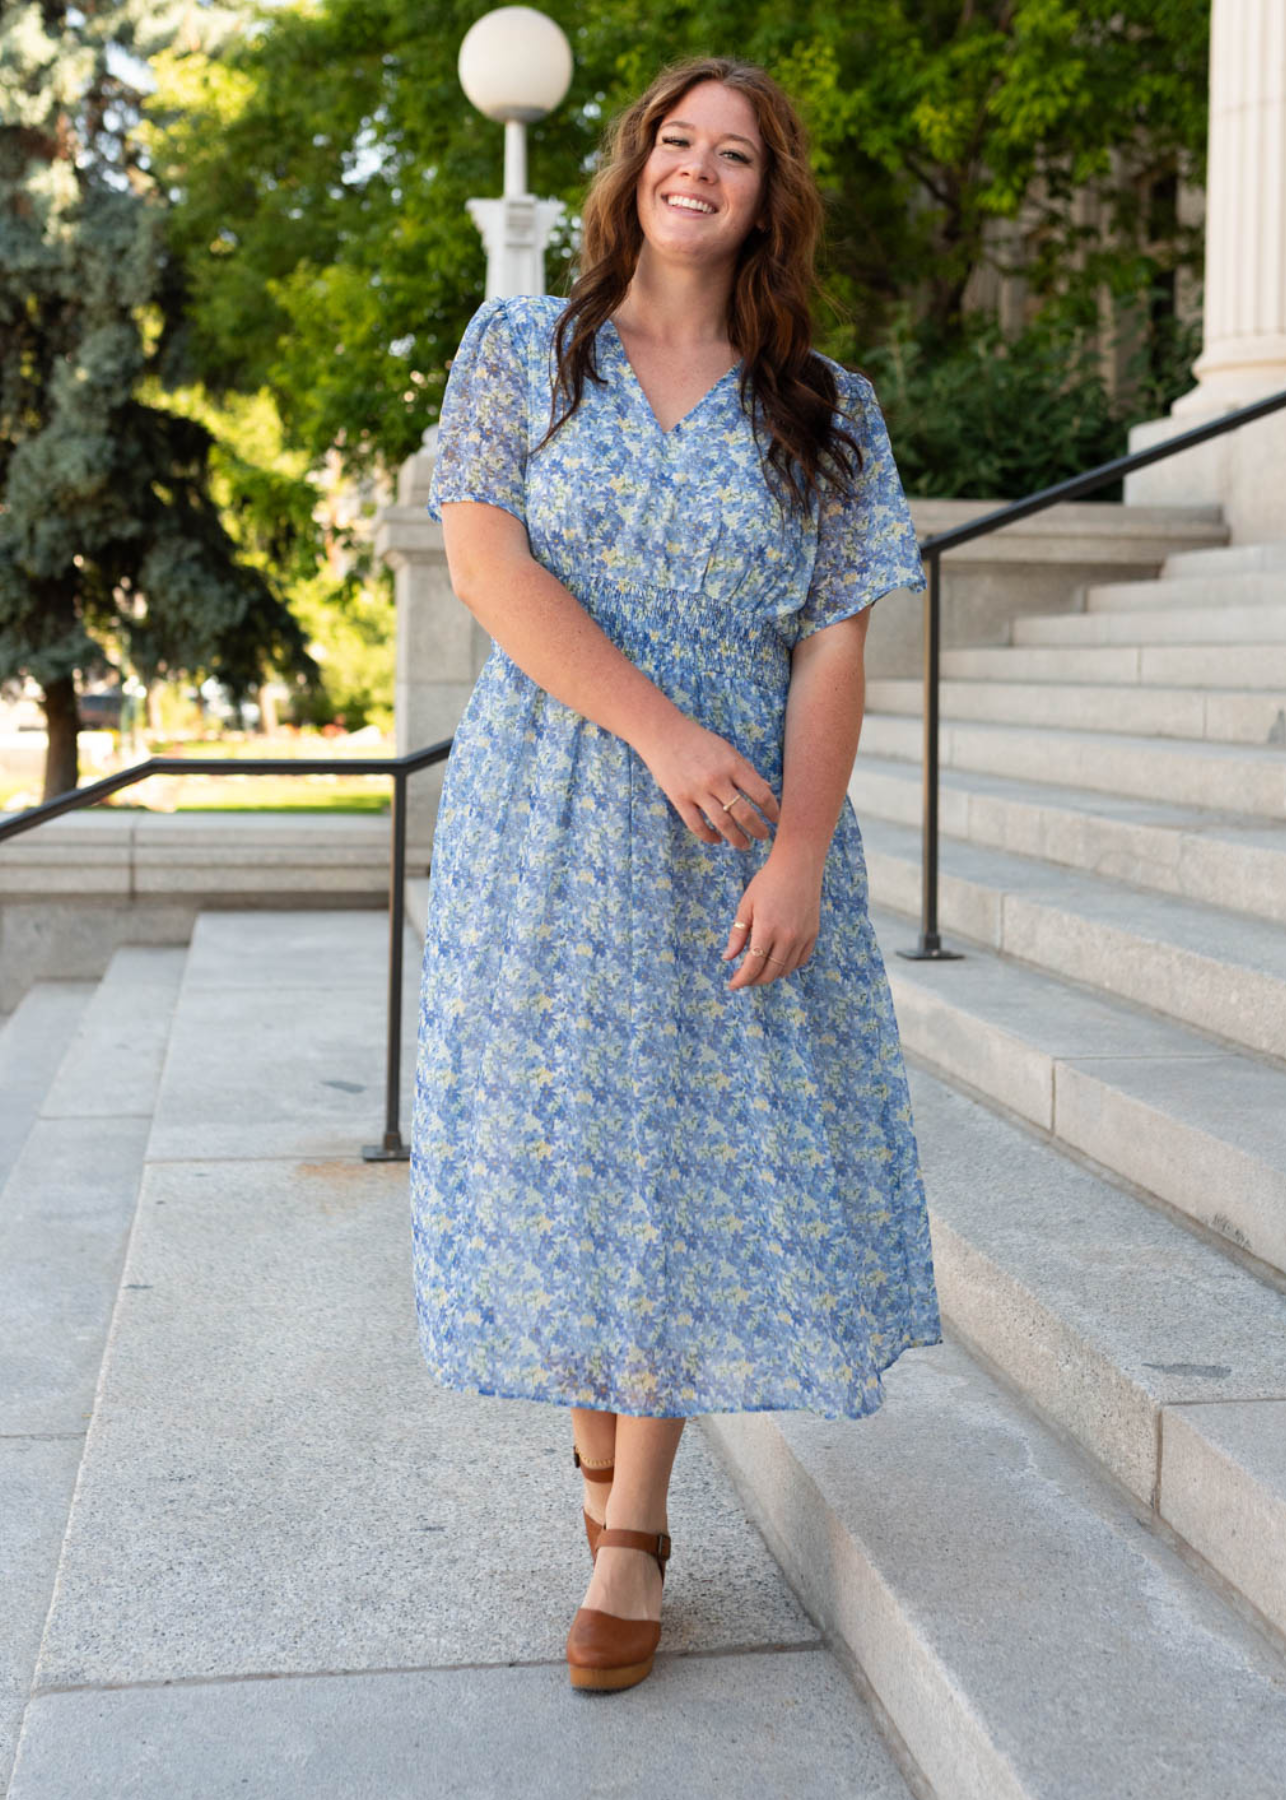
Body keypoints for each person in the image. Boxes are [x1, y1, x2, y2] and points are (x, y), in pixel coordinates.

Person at [411, 54, 942, 1696]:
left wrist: (794, 849)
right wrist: (653, 731)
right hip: (553, 801)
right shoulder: (523, 349)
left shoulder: (822, 405)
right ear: (633, 166)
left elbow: (836, 642)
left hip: (738, 834)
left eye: (735, 154)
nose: (697, 169)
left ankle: (632, 1528)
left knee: (679, 1157)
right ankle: (605, 1489)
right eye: (674, 141)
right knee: (566, 1137)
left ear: (770, 198)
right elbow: (485, 560)